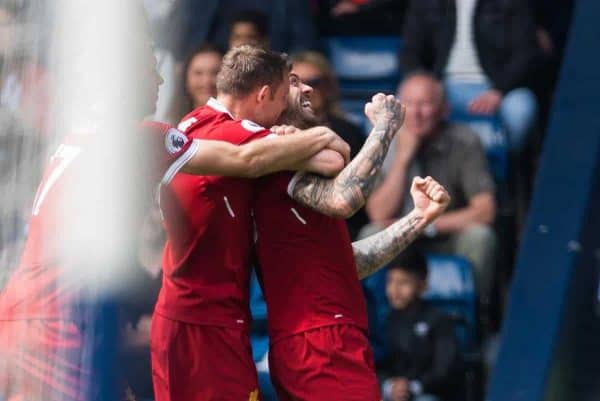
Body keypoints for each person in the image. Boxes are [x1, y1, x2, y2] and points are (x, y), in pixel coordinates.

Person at [0, 21, 347, 401]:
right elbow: (246, 158)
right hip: (56, 327)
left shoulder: (79, 135)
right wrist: (321, 136)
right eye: (152, 71)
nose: (161, 83)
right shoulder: (137, 136)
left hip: (31, 316)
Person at [152, 45, 348, 401]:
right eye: (281, 98)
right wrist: (319, 134)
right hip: (210, 321)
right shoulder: (239, 132)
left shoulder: (191, 122)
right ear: (263, 94)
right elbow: (333, 161)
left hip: (176, 311)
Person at [253, 71, 452, 399]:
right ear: (264, 96)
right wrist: (386, 127)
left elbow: (347, 262)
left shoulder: (290, 163)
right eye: (292, 82)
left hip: (324, 337)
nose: (307, 88)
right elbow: (345, 199)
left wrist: (417, 218)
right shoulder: (277, 159)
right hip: (320, 342)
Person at [367, 72, 497, 324]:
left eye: (425, 104)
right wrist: (403, 159)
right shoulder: (385, 143)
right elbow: (378, 215)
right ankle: (376, 323)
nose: (415, 113)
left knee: (481, 237)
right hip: (401, 241)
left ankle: (472, 322)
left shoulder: (464, 141)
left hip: (447, 235)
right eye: (408, 105)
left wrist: (425, 224)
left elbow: (485, 211)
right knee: (370, 232)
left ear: (443, 109)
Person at [401, 0, 539, 156]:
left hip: (497, 86)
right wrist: (431, 89)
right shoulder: (426, 3)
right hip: (443, 86)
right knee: (406, 108)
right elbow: (409, 54)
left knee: (521, 109)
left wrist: (499, 90)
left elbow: (526, 53)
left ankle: (509, 169)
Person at [290, 50, 369, 239]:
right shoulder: (274, 130)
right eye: (296, 83)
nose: (306, 89)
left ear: (328, 87)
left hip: (341, 226)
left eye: (314, 82)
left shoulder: (349, 132)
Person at [379, 249, 463, 401]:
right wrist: (389, 385)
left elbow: (444, 368)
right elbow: (375, 362)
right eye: (390, 281)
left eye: (403, 282)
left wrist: (414, 386)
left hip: (425, 393)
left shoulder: (438, 320)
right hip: (389, 393)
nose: (395, 290)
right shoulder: (383, 320)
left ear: (422, 286)